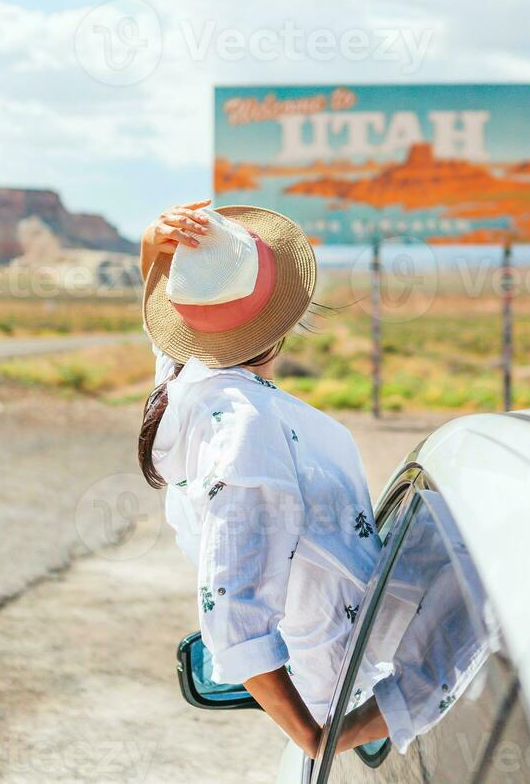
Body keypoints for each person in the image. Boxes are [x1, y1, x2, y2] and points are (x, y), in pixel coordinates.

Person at [138, 200, 389, 758]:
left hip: (351, 687)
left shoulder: (190, 388)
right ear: (286, 315)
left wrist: (153, 249)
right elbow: (234, 617)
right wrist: (320, 740)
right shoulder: (249, 432)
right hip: (349, 695)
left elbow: (167, 345)